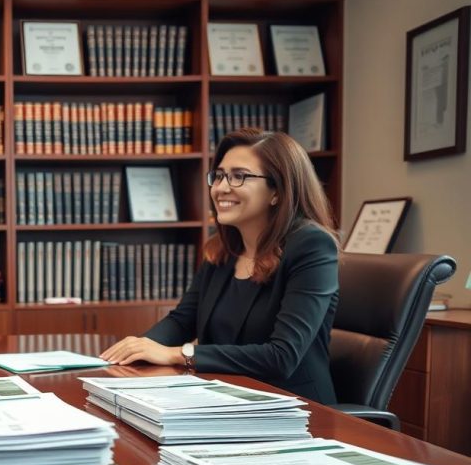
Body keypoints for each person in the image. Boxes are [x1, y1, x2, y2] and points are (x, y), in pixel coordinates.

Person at [100, 128, 340, 404]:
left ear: (277, 191)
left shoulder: (312, 246)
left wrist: (178, 354)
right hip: (224, 398)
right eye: (220, 175)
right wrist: (134, 353)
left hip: (294, 410)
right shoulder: (224, 249)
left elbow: (281, 356)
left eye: (239, 176)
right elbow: (181, 321)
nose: (221, 187)